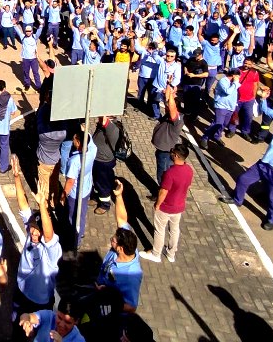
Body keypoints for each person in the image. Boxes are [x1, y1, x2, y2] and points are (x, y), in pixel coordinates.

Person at [219, 85, 273, 231]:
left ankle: (272, 219)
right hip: (263, 164)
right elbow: (271, 112)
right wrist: (269, 99)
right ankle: (237, 200)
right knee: (243, 179)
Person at [10, 156, 61, 330]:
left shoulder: (53, 249)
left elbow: (48, 233)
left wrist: (42, 205)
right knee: (17, 330)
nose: (33, 232)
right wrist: (17, 178)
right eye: (32, 228)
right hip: (21, 293)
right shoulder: (30, 230)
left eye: (37, 230)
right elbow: (23, 205)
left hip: (40, 303)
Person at [139, 144, 194, 264]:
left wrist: (158, 204)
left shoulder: (170, 173)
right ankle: (171, 254)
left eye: (172, 152)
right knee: (174, 230)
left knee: (159, 230)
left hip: (166, 207)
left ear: (176, 156)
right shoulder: (189, 170)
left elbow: (163, 191)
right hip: (179, 206)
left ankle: (156, 254)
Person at [96, 181, 143, 315]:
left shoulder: (131, 275)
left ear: (121, 249)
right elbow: (122, 219)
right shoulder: (127, 243)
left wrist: (110, 304)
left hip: (108, 312)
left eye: (114, 241)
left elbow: (131, 306)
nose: (112, 239)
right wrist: (119, 196)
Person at [62, 129, 97, 247]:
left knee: (73, 216)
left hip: (75, 193)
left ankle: (75, 239)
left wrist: (63, 194)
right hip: (87, 189)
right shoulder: (92, 151)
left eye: (75, 139)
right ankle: (80, 233)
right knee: (82, 212)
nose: (73, 140)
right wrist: (84, 130)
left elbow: (70, 181)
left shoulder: (75, 161)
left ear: (78, 143)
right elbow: (90, 140)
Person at [151, 85, 185, 186]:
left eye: (167, 107)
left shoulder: (177, 120)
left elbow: (171, 107)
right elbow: (168, 102)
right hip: (162, 150)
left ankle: (162, 193)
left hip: (165, 153)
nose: (165, 108)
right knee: (162, 172)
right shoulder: (169, 116)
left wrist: (170, 95)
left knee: (163, 174)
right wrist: (169, 89)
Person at [17, 296, 87, 342]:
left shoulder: (78, 339)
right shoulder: (49, 316)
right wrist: (26, 321)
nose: (61, 325)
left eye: (67, 322)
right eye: (59, 317)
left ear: (76, 321)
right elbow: (27, 316)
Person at [91, 115, 122, 215]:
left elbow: (103, 119)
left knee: (102, 183)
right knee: (99, 180)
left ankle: (105, 204)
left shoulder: (111, 127)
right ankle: (98, 196)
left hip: (103, 161)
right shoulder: (106, 125)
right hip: (99, 160)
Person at [15, 24, 44, 90]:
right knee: (26, 72)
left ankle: (38, 86)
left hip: (34, 58)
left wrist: (41, 25)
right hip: (25, 58)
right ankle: (27, 84)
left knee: (36, 73)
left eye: (29, 31)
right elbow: (18, 31)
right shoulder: (23, 37)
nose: (28, 32)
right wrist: (14, 25)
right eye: (27, 31)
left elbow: (39, 32)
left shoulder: (34, 37)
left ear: (31, 31)